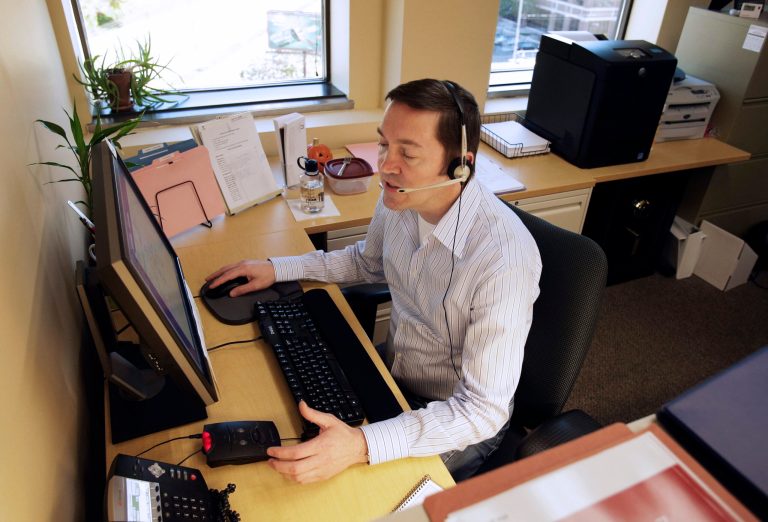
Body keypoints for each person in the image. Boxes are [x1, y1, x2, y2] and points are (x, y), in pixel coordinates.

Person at [205, 78, 542, 482]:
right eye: (384, 144)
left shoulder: (503, 261)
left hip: (456, 419)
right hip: (392, 376)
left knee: (347, 492)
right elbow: (366, 264)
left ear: (460, 164)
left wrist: (362, 444)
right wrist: (279, 268)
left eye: (407, 154)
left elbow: (482, 410)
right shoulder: (401, 198)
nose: (385, 165)